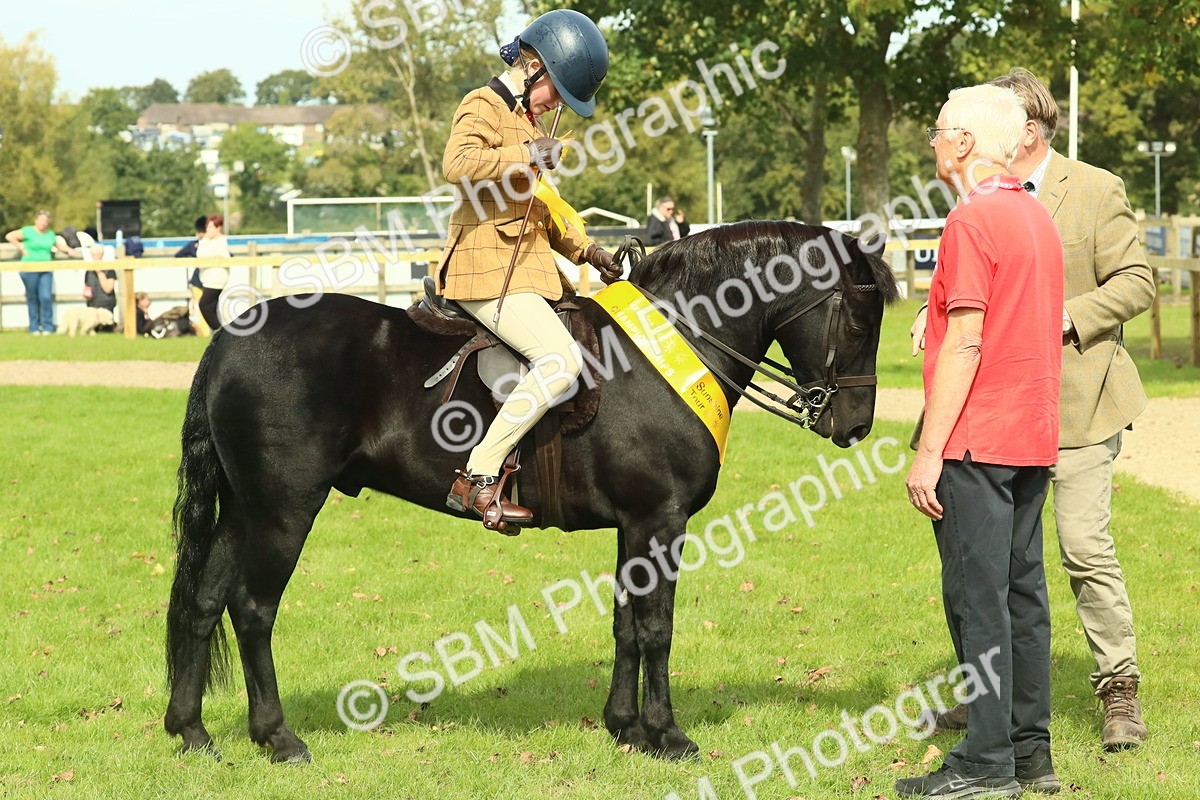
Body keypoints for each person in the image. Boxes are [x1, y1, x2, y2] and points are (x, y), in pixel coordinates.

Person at [913, 68, 1155, 752]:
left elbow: (1137, 281)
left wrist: (1063, 318)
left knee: (1082, 548)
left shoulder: (1096, 189)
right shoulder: (981, 196)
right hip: (995, 413)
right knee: (990, 565)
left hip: (1078, 403)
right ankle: (991, 698)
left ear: (1027, 128)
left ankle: (1118, 689)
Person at [895, 84, 1064, 799]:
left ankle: (985, 762)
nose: (931, 144)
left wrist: (928, 449)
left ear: (963, 142)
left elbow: (966, 342)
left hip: (976, 440)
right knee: (1024, 595)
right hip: (1033, 435)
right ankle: (1031, 755)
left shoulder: (970, 221)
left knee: (977, 601)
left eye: (938, 132)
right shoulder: (1033, 214)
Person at [437, 8, 619, 532]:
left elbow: (544, 207)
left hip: (523, 272)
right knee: (561, 361)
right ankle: (478, 475)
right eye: (558, 90)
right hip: (482, 271)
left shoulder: (525, 121)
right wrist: (525, 152)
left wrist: (588, 251)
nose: (559, 103)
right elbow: (458, 162)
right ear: (534, 65)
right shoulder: (485, 104)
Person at [6, 210, 67, 334]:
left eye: (46, 221)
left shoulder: (50, 234)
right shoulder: (28, 231)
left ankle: (47, 327)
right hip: (29, 268)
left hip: (45, 269)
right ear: (36, 221)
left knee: (45, 297)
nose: (43, 223)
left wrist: (69, 250)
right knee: (32, 298)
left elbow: (57, 245)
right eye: (41, 220)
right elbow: (9, 236)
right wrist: (20, 246)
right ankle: (34, 327)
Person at [194, 214, 231, 331]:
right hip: (209, 277)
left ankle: (220, 333)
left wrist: (204, 239)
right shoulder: (211, 241)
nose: (208, 230)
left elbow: (201, 255)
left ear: (218, 227)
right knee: (212, 306)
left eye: (211, 227)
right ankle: (219, 334)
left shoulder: (219, 241)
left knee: (204, 305)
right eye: (207, 227)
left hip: (216, 277)